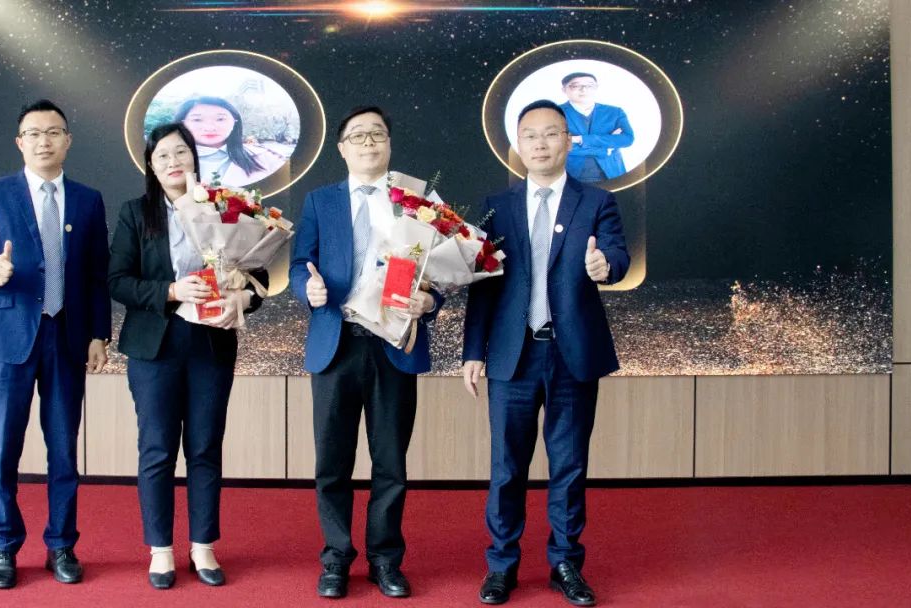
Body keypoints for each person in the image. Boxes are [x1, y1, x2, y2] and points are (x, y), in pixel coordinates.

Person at [462, 99, 629, 606]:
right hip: (511, 356)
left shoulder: (596, 202)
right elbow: (483, 284)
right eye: (530, 135)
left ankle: (565, 564)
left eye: (551, 133)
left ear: (568, 141)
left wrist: (606, 267)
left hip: (570, 352)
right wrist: (473, 351)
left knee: (569, 466)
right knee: (506, 467)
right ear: (518, 144)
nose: (540, 143)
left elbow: (618, 254)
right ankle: (501, 566)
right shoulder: (496, 206)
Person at [289, 105, 443, 600]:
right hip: (336, 343)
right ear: (341, 148)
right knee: (332, 463)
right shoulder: (320, 201)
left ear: (389, 144)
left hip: (393, 344)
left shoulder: (417, 201)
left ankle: (385, 560)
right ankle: (336, 558)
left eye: (377, 133)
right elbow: (300, 263)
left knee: (391, 462)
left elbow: (441, 269)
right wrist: (306, 288)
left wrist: (430, 301)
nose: (368, 142)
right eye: (358, 135)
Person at [108, 122, 267, 589]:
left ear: (194, 157)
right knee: (157, 449)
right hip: (155, 346)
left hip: (211, 342)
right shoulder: (136, 213)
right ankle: (160, 550)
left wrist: (243, 298)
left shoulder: (225, 207)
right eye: (162, 155)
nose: (173, 161)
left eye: (181, 152)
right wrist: (172, 290)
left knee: (204, 447)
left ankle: (203, 546)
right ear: (150, 165)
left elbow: (257, 276)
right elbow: (117, 281)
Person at [0, 99, 111, 589]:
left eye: (53, 132)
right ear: (19, 142)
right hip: (9, 339)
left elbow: (96, 274)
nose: (44, 141)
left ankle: (61, 544)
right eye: (34, 133)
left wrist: (99, 334)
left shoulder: (88, 200)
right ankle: (3, 545)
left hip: (67, 337)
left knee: (63, 450)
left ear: (68, 140)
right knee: (3, 450)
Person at [175, 96, 287, 187]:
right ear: (182, 124)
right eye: (197, 120)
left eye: (220, 119)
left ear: (235, 122)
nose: (210, 127)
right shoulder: (167, 162)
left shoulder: (267, 158)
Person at [558, 72, 635, 183]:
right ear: (564, 90)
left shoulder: (614, 112)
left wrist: (580, 139)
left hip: (611, 173)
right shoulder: (553, 113)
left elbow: (627, 139)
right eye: (575, 86)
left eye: (590, 85)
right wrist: (604, 149)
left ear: (596, 88)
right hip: (568, 174)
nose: (584, 89)